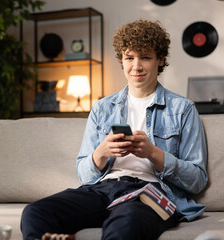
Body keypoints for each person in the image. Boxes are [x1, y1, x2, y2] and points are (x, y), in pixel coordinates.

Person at [21, 19, 208, 240]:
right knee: (35, 212)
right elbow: (84, 174)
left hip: (151, 194)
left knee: (126, 224)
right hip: (102, 191)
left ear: (160, 60)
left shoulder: (183, 109)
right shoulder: (102, 108)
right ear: (122, 60)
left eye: (145, 57)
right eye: (129, 58)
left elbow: (197, 180)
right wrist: (101, 152)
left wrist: (153, 154)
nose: (136, 66)